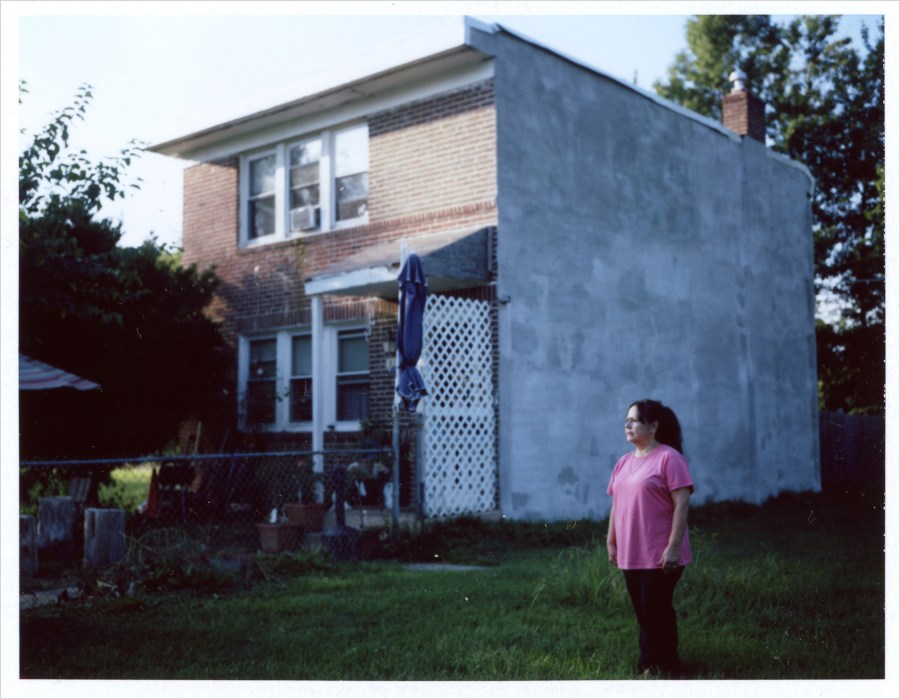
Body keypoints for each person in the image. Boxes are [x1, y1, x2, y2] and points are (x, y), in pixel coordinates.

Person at [606, 399, 694, 677]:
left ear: (653, 426)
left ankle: (660, 666)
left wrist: (673, 548)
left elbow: (682, 503)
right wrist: (611, 541)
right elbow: (616, 504)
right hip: (631, 553)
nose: (627, 425)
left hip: (660, 553)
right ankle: (654, 665)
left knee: (654, 608)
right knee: (644, 611)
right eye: (627, 420)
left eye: (634, 420)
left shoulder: (670, 458)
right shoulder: (623, 462)